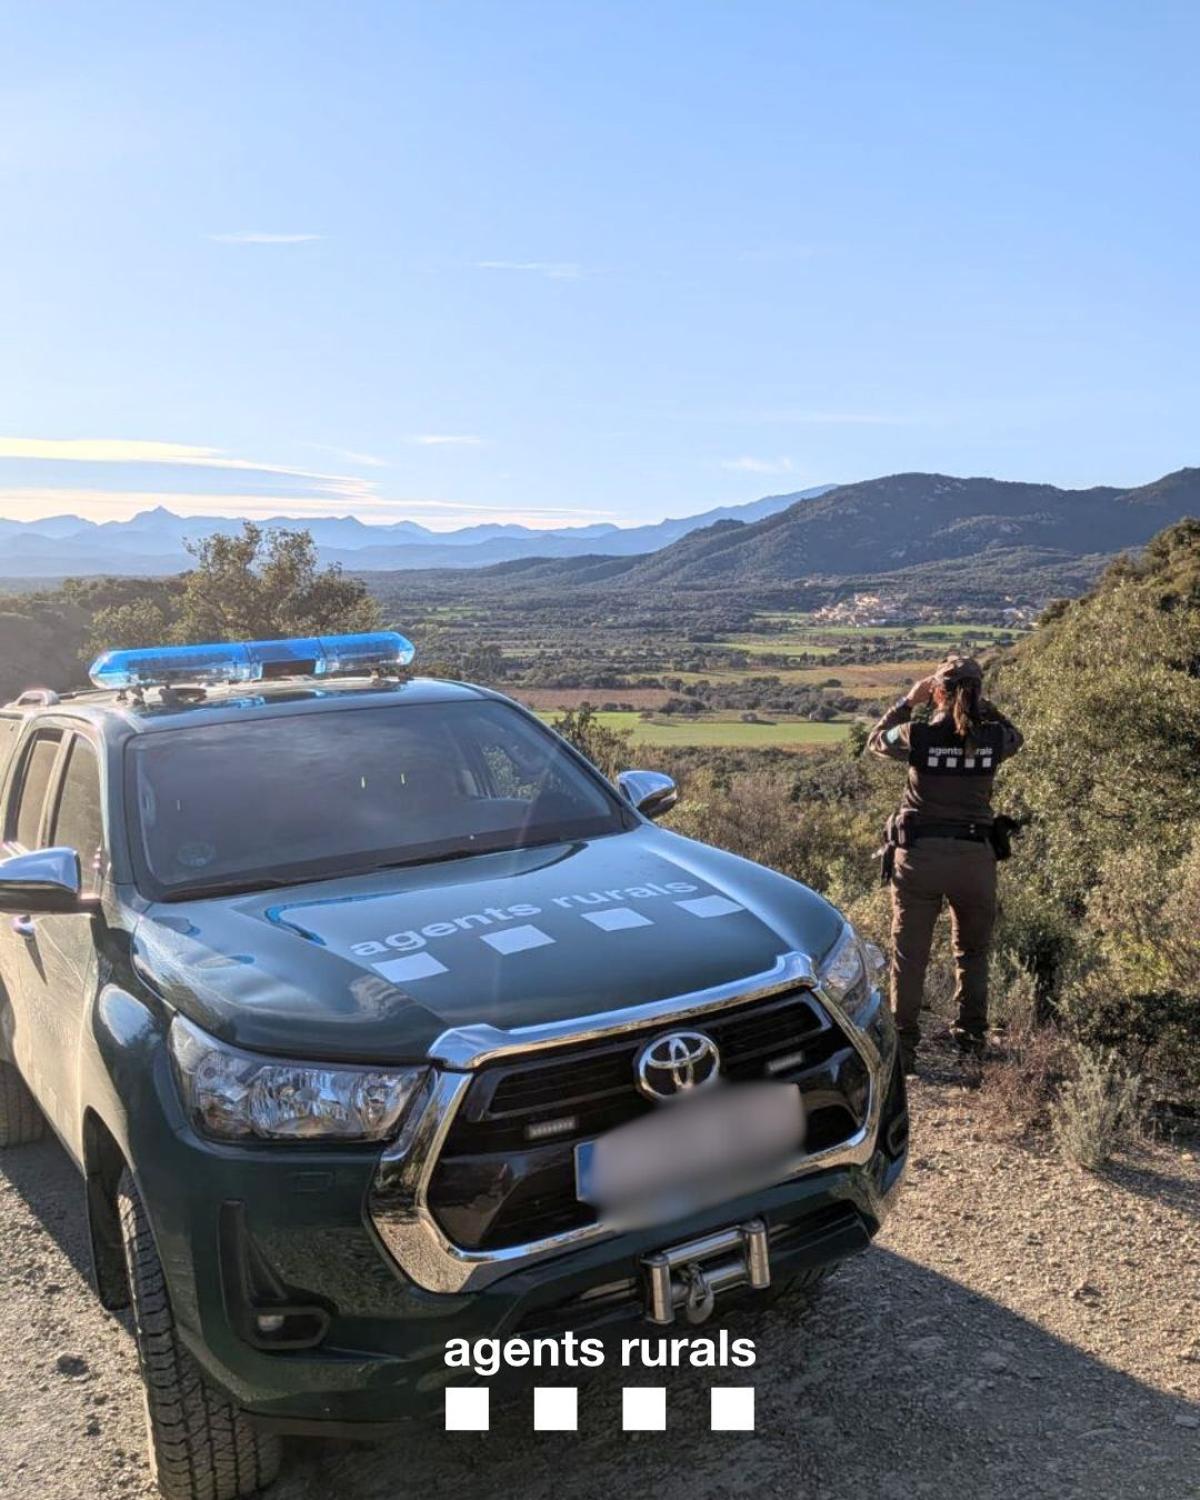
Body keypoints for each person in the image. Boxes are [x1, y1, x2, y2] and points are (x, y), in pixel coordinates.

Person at [867, 654, 1023, 1073]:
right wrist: (981, 705)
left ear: (937, 691)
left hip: (919, 858)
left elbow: (876, 740)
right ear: (978, 691)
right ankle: (971, 1042)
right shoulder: (992, 738)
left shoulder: (917, 734)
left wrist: (908, 699)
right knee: (973, 952)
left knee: (909, 955)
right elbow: (1017, 736)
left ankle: (905, 1050)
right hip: (975, 861)